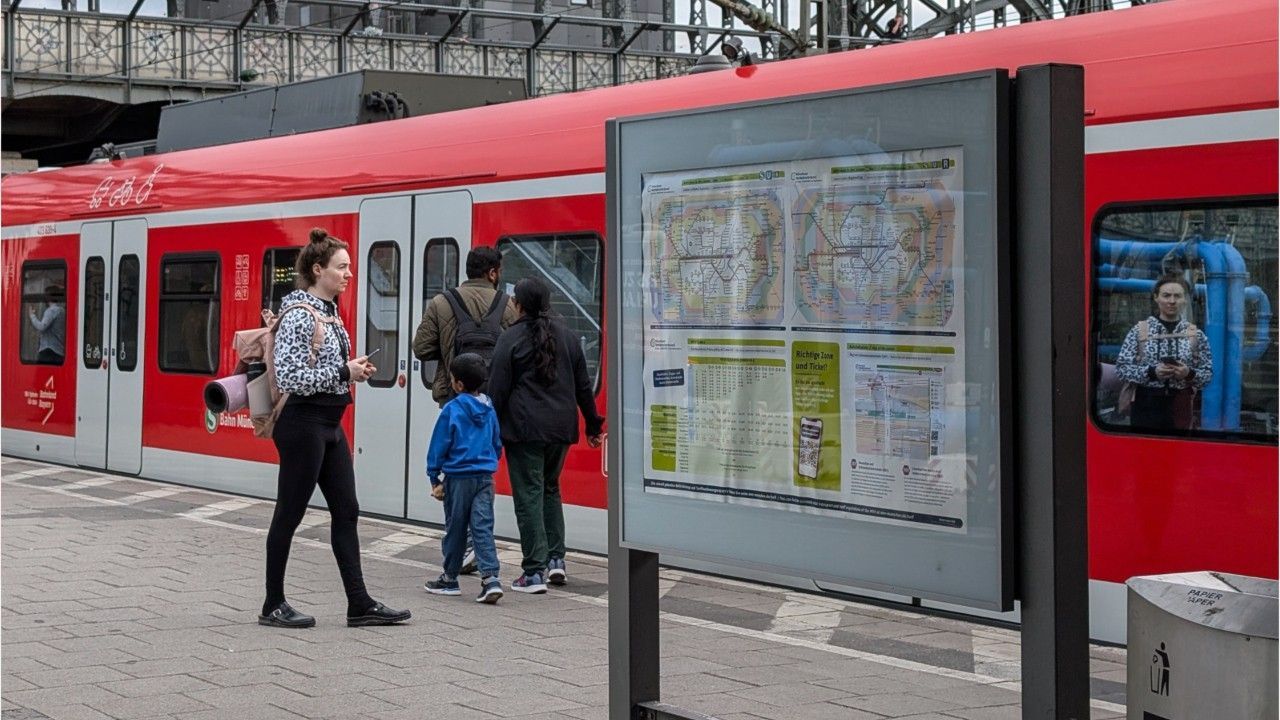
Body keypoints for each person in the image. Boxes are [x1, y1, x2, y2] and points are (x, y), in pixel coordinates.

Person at [260, 228, 411, 629]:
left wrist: (351, 373)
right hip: (302, 424)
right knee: (289, 513)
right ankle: (272, 603)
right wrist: (344, 370)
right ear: (317, 269)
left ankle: (358, 603)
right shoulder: (298, 316)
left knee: (347, 510)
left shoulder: (330, 313)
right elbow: (292, 377)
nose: (348, 274)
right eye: (341, 267)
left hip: (328, 423)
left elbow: (319, 372)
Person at [488, 277, 605, 594]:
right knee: (551, 490)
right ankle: (556, 561)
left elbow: (497, 390)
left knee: (528, 496)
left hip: (525, 429)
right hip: (560, 430)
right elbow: (583, 387)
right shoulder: (568, 337)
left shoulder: (510, 338)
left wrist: (488, 430)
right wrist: (593, 426)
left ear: (519, 305)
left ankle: (533, 571)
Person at [412, 246, 517, 575]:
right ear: (493, 273)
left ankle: (463, 546)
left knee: (455, 471)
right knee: (482, 473)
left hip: (453, 399)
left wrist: (450, 346)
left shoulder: (442, 303)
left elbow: (421, 347)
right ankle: (483, 550)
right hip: (492, 402)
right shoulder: (508, 305)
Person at [423, 353, 505, 604]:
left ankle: (449, 579)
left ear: (457, 384)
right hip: (485, 478)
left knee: (456, 528)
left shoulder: (452, 409)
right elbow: (496, 442)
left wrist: (434, 476)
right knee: (482, 527)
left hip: (458, 479)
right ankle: (491, 579)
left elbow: (439, 444)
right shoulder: (489, 407)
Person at [1115, 274, 1213, 431]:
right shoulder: (1140, 331)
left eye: (1177, 296)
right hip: (1145, 404)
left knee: (1178, 452)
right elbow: (1121, 369)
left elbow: (1207, 376)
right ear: (1156, 298)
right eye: (1166, 295)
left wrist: (1188, 373)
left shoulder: (1195, 334)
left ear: (1185, 300)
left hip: (1180, 405)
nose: (1172, 301)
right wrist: (1152, 372)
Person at [29, 284, 66, 365]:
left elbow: (42, 327)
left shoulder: (51, 311)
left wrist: (32, 316)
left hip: (48, 351)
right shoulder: (62, 311)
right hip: (59, 351)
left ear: (48, 297)